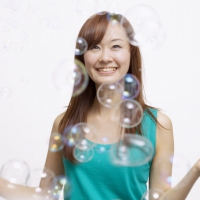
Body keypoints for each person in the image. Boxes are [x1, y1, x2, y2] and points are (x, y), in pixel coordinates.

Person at [0, 11, 200, 200]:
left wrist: (196, 170)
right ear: (82, 57)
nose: (105, 57)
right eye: (95, 47)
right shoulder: (64, 123)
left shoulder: (158, 125)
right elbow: (44, 194)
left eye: (115, 46)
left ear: (131, 54)